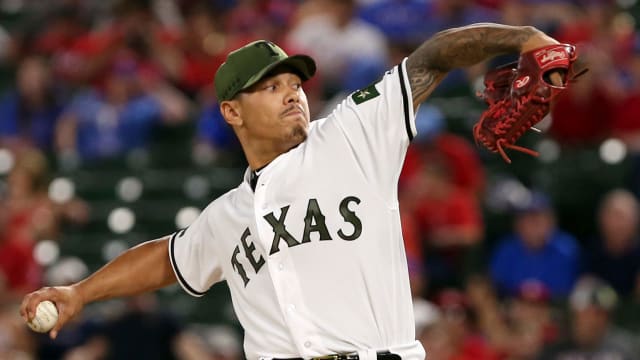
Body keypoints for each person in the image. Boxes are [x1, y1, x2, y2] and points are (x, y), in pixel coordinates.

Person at [21, 23, 567, 359]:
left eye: (295, 83)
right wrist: (79, 294)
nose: (293, 94)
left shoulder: (350, 136)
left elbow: (433, 56)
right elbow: (167, 258)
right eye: (271, 86)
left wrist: (522, 40)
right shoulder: (228, 214)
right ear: (231, 111)